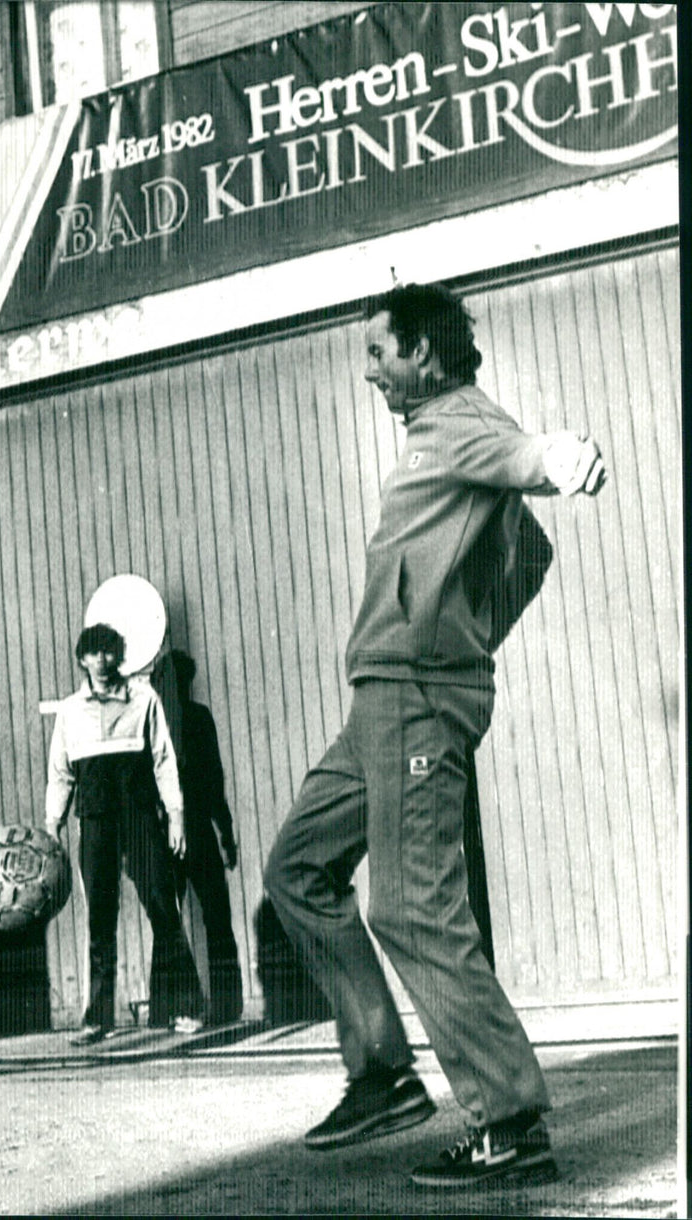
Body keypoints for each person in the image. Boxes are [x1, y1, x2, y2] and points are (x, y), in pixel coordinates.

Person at [264, 282, 605, 1187]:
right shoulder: (432, 438)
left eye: (379, 351)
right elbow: (528, 552)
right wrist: (462, 627)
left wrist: (565, 457)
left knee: (413, 906)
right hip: (380, 697)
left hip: (417, 696)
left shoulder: (459, 421)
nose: (369, 369)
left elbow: (529, 457)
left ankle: (510, 1122)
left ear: (423, 351)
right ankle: (381, 1075)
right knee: (297, 869)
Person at [45, 622, 203, 1044]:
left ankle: (186, 1006)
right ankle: (97, 1018)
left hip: (139, 818)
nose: (101, 660)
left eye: (109, 652)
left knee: (161, 905)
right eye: (93, 653)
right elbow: (60, 774)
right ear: (82, 659)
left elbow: (163, 759)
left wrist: (176, 816)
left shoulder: (144, 699)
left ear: (119, 656)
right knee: (99, 917)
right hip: (95, 820)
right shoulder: (70, 710)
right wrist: (52, 825)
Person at [170, 651, 243, 1025]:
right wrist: (226, 832)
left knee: (172, 922)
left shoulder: (166, 719)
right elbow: (215, 781)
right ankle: (225, 1004)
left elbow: (214, 780)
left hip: (175, 828)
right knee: (215, 918)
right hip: (194, 826)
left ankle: (185, 1007)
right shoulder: (196, 717)